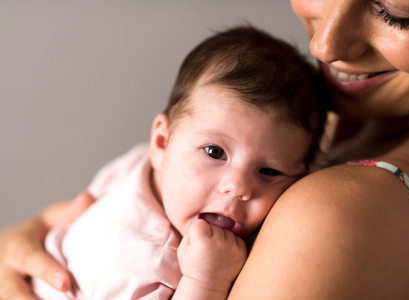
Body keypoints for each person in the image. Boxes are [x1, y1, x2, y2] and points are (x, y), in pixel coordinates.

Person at [1, 0, 409, 299]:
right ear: (162, 141)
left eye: (398, 11)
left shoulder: (334, 214)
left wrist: (203, 281)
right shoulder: (304, 125)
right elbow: (75, 210)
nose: (325, 45)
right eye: (215, 153)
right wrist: (24, 241)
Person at [25, 25, 326, 300]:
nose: (239, 187)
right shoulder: (148, 267)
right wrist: (205, 281)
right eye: (214, 152)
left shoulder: (138, 164)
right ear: (161, 143)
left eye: (269, 171)